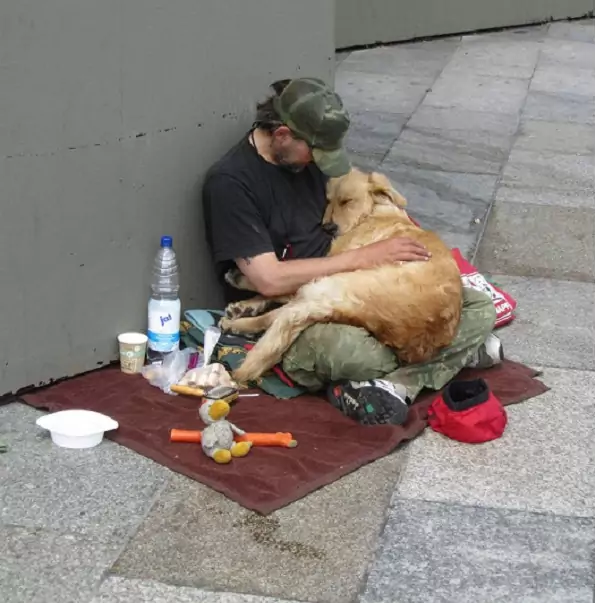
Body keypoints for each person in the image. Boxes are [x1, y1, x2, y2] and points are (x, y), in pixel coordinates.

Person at [201, 77, 501, 425]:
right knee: (353, 352)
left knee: (477, 304)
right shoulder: (231, 183)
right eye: (315, 152)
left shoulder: (306, 159)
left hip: (357, 286)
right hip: (297, 303)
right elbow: (268, 279)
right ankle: (434, 364)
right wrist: (365, 257)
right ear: (282, 135)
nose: (321, 163)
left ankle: (400, 382)